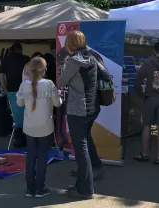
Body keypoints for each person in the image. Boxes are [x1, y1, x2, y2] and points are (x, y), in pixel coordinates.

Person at [58, 30, 110, 200]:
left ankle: (86, 189)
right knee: (85, 139)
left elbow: (62, 82)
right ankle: (92, 169)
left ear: (70, 44)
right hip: (92, 107)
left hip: (78, 109)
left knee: (80, 148)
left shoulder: (73, 61)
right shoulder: (92, 58)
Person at [16, 57, 62, 198]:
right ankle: (40, 189)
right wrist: (58, 96)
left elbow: (19, 104)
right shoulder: (49, 84)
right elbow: (58, 103)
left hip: (29, 126)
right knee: (42, 157)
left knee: (30, 156)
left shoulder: (24, 84)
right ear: (44, 70)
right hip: (45, 126)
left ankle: (30, 189)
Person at [134, 41, 159, 165]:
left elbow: (137, 81)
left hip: (150, 98)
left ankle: (144, 154)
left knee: (146, 126)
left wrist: (142, 95)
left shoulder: (147, 63)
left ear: (154, 50)